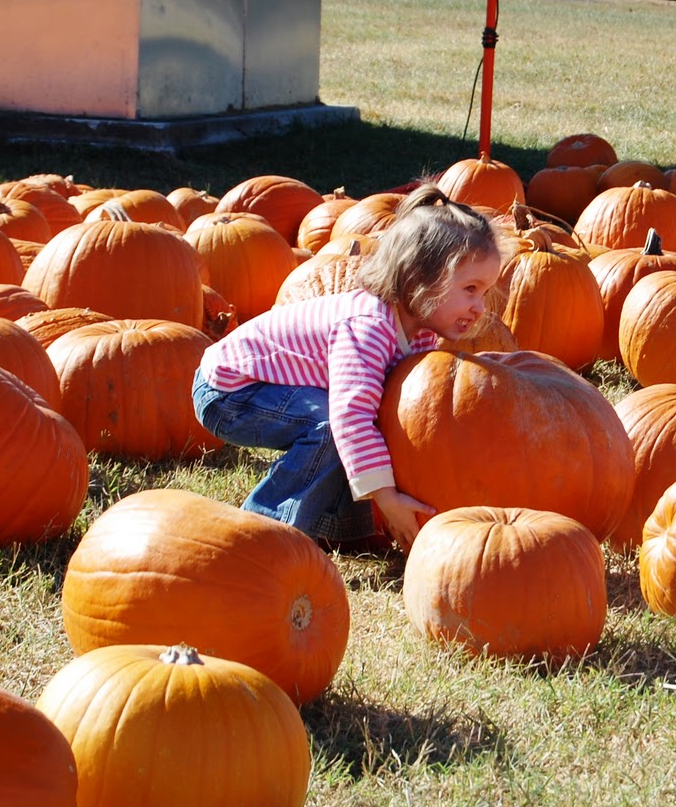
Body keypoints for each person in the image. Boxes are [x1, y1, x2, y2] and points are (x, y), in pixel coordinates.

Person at [191, 184, 502, 551]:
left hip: (276, 389)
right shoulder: (367, 328)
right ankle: (266, 532)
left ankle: (339, 531)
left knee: (352, 426)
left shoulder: (418, 333)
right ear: (419, 280)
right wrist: (386, 497)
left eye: (484, 292)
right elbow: (351, 417)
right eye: (470, 289)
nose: (480, 307)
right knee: (329, 427)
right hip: (230, 389)